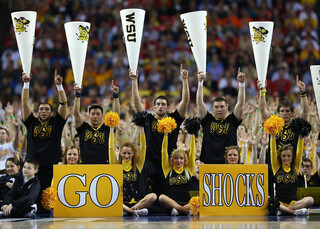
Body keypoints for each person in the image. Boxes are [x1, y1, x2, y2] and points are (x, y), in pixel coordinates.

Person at [129, 64, 189, 195]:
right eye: (158, 104)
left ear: (168, 108)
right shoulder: (149, 119)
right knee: (143, 185)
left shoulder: (174, 119)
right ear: (153, 107)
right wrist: (134, 81)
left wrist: (184, 81)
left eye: (163, 104)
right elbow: (136, 104)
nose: (160, 106)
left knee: (164, 194)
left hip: (168, 161)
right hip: (150, 161)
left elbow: (185, 101)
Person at [21, 70, 67, 211]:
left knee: (49, 198)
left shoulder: (56, 123)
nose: (43, 111)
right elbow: (24, 104)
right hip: (33, 164)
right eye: (41, 109)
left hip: (51, 165)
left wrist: (59, 87)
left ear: (51, 112)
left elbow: (64, 104)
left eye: (47, 109)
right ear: (37, 111)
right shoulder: (31, 122)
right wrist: (26, 84)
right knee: (31, 193)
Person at [196, 68, 246, 164]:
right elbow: (199, 102)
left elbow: (240, 104)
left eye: (222, 107)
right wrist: (200, 82)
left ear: (227, 108)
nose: (219, 109)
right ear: (212, 109)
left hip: (229, 163)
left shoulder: (232, 120)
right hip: (208, 163)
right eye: (217, 107)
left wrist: (241, 84)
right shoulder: (207, 120)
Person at [257, 76, 308, 165]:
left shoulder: (296, 125)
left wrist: (302, 92)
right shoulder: (273, 124)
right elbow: (262, 110)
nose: (285, 113)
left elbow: (305, 111)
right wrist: (262, 91)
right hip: (273, 165)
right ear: (278, 113)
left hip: (292, 166)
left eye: (287, 111)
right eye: (282, 111)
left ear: (292, 113)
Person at [109, 125, 156, 216]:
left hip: (137, 203)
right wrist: (111, 129)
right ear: (120, 153)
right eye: (124, 153)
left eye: (129, 153)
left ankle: (129, 211)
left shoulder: (138, 165)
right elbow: (110, 148)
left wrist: (141, 128)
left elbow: (143, 148)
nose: (126, 156)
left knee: (153, 196)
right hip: (121, 202)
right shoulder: (116, 165)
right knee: (109, 198)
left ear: (133, 154)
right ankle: (133, 212)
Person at [73, 81, 120, 164]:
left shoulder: (107, 129)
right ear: (88, 116)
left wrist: (115, 97)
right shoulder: (83, 128)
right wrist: (77, 95)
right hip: (86, 167)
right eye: (93, 114)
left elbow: (116, 115)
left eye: (98, 114)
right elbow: (76, 113)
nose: (95, 116)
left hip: (104, 167)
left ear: (102, 116)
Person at [270, 133, 314, 215]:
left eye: (288, 156)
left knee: (310, 199)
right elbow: (272, 151)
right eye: (283, 156)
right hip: (280, 203)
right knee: (269, 200)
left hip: (293, 204)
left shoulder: (296, 167)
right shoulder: (276, 167)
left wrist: (301, 137)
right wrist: (272, 137)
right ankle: (292, 212)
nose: (286, 158)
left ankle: (285, 211)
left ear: (292, 157)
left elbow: (300, 151)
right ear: (280, 157)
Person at [158, 131, 195, 216]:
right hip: (171, 205)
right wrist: (165, 135)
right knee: (162, 197)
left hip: (186, 203)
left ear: (184, 160)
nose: (178, 161)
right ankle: (185, 212)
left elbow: (192, 152)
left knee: (199, 199)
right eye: (176, 158)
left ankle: (178, 211)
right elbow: (164, 152)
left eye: (181, 158)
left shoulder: (188, 169)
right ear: (172, 160)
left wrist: (192, 134)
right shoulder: (168, 170)